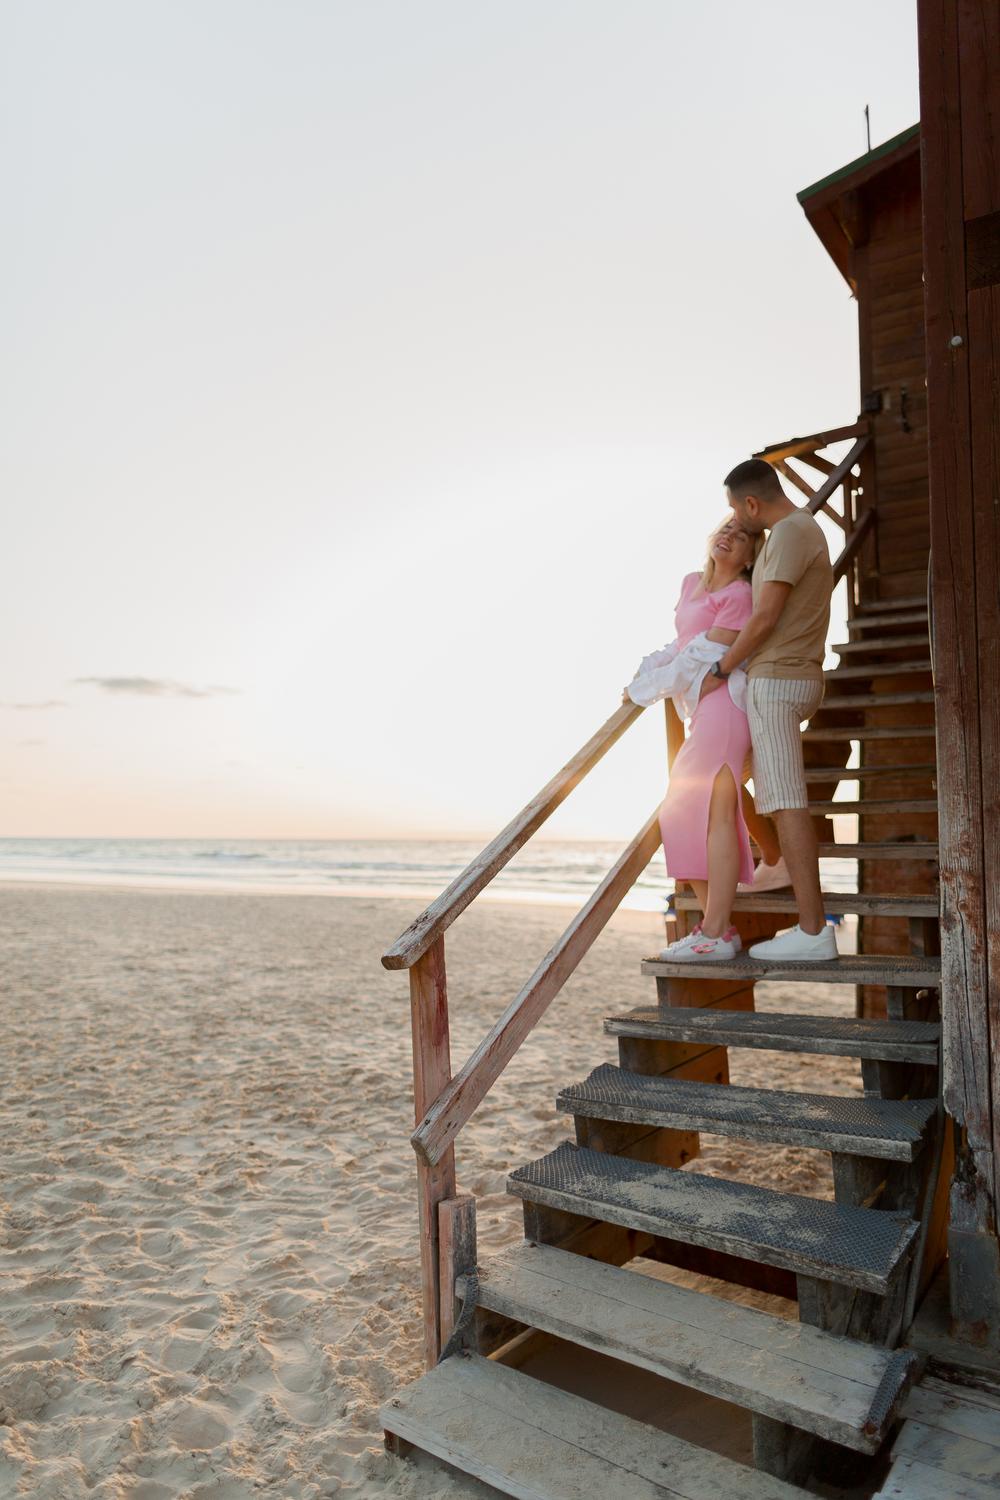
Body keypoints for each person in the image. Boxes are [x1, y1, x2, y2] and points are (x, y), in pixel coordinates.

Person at [704, 457, 837, 961]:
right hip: (789, 677)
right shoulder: (799, 533)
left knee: (785, 799)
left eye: (737, 510)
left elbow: (763, 619)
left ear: (751, 502)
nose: (737, 519)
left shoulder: (788, 533)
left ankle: (813, 931)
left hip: (778, 681)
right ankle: (776, 863)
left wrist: (720, 668)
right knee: (723, 773)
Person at [624, 518, 763, 960]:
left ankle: (717, 931)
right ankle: (716, 930)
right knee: (681, 815)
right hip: (699, 710)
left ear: (750, 557)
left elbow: (702, 661)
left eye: (741, 536)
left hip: (725, 705)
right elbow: (682, 645)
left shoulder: (740, 595)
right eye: (726, 529)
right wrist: (644, 672)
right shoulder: (691, 584)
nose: (728, 536)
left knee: (717, 815)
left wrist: (643, 691)